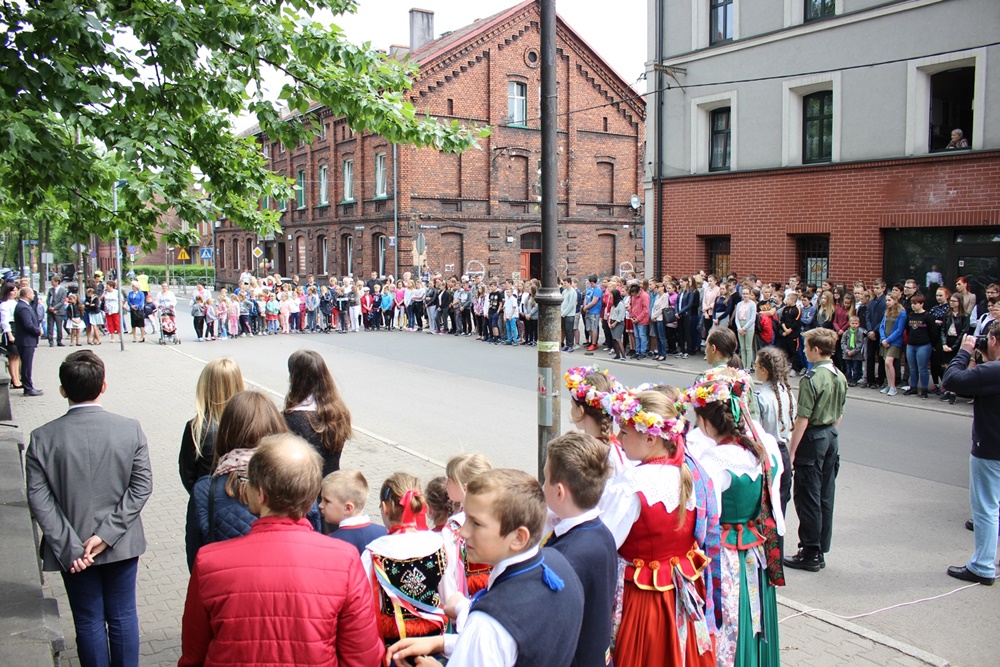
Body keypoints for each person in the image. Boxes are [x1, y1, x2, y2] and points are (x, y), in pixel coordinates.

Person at [179, 435, 383, 666]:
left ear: (260, 494)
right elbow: (363, 657)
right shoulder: (344, 561)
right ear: (309, 498)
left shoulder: (210, 562)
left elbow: (193, 654)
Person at [25, 350, 152, 667]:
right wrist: (107, 534)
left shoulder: (42, 438)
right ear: (104, 386)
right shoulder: (130, 429)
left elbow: (39, 500)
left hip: (74, 553)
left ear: (62, 390)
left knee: (87, 620)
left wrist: (70, 548)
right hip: (120, 544)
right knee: (123, 616)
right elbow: (141, 486)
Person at [386, 469, 585, 667]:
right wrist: (442, 642)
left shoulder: (486, 626)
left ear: (518, 537)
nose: (463, 532)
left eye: (476, 523)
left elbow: (490, 643)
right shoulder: (560, 565)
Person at [604, 389, 719, 667]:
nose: (618, 439)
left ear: (650, 437)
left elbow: (603, 542)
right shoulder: (690, 475)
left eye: (625, 433)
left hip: (642, 600)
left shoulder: (631, 484)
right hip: (680, 594)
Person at [685, 369, 783, 666]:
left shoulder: (713, 460)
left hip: (726, 555)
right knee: (754, 621)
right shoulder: (761, 448)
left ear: (704, 420)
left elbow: (705, 518)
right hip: (756, 551)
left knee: (730, 621)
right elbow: (775, 504)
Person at [185, 390, 291, 571]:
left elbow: (196, 562)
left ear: (226, 432)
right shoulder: (296, 484)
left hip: (226, 591)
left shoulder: (205, 491)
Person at [542, 433, 617, 667]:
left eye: (545, 479)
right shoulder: (601, 532)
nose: (542, 486)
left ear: (560, 492)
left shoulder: (563, 557)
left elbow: (548, 627)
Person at [361, 472, 458, 646]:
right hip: (433, 642)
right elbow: (448, 596)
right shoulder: (440, 544)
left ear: (385, 508)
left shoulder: (374, 553)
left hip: (393, 645)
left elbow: (366, 607)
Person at [941, 324, 1000, 586]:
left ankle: (983, 566)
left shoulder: (993, 371)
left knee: (986, 509)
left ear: (995, 340)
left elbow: (952, 381)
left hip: (990, 448)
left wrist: (964, 352)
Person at [785, 328, 847, 572]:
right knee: (825, 495)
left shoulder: (811, 379)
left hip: (813, 438)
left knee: (808, 496)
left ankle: (810, 551)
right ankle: (819, 548)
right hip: (830, 435)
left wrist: (791, 451)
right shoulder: (839, 375)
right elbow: (840, 411)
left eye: (806, 346)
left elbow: (802, 419)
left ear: (817, 350)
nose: (803, 349)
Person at [283, 349, 352, 478]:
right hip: (331, 486)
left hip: (305, 491)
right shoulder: (339, 412)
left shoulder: (290, 419)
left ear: (295, 379)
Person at [179, 358, 245, 493]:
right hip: (246, 504)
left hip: (209, 502)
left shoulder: (197, 428)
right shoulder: (250, 423)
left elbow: (188, 475)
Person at [321, 470, 387, 552]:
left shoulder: (331, 543)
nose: (320, 505)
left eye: (327, 501)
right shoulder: (385, 534)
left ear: (348, 508)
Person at [940, 294, 970, 404]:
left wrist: (954, 347)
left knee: (955, 368)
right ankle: (947, 390)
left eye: (954, 301)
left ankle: (953, 393)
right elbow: (943, 330)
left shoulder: (965, 316)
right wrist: (944, 344)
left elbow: (963, 332)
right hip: (948, 341)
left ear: (960, 303)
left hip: (957, 343)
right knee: (947, 367)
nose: (952, 303)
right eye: (951, 301)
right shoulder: (947, 315)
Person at [14, 286, 43, 396]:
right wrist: (37, 331)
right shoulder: (23, 307)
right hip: (26, 341)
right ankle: (27, 388)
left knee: (27, 364)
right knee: (26, 365)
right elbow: (27, 324)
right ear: (27, 295)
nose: (34, 296)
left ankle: (29, 386)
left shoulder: (25, 306)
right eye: (32, 294)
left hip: (27, 340)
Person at [904, 294, 933, 398]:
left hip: (923, 345)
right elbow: (908, 329)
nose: (913, 306)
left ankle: (924, 389)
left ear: (922, 304)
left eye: (916, 303)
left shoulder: (927, 316)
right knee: (912, 368)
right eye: (912, 303)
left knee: (922, 368)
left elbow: (932, 332)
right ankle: (913, 387)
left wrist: (931, 344)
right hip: (911, 345)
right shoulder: (910, 316)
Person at [879, 293, 907, 396]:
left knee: (888, 362)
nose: (887, 302)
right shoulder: (886, 312)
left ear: (895, 300)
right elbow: (882, 325)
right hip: (885, 340)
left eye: (889, 300)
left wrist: (889, 340)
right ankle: (889, 384)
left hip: (894, 341)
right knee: (886, 363)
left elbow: (900, 330)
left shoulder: (902, 313)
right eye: (886, 300)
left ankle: (893, 386)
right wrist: (883, 339)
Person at [1, 284, 22, 389]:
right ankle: (14, 379)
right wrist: (9, 334)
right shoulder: (4, 305)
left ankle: (17, 378)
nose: (14, 292)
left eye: (16, 290)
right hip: (11, 328)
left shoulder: (16, 303)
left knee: (17, 356)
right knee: (13, 356)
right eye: (12, 290)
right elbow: (4, 321)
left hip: (17, 328)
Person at [45, 275, 68, 347]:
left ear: (57, 282)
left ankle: (59, 340)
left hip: (58, 311)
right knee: (50, 326)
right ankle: (50, 340)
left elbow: (62, 301)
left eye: (52, 281)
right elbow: (48, 300)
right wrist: (50, 307)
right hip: (50, 310)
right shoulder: (50, 290)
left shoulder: (63, 291)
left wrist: (55, 308)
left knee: (59, 326)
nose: (51, 282)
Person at [561, 276, 578, 352]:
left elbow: (571, 305)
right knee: (564, 330)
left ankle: (570, 345)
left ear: (570, 283)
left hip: (569, 315)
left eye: (565, 283)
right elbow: (562, 302)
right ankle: (566, 345)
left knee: (569, 330)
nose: (564, 284)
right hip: (563, 314)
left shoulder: (573, 292)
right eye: (563, 283)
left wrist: (564, 313)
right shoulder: (564, 291)